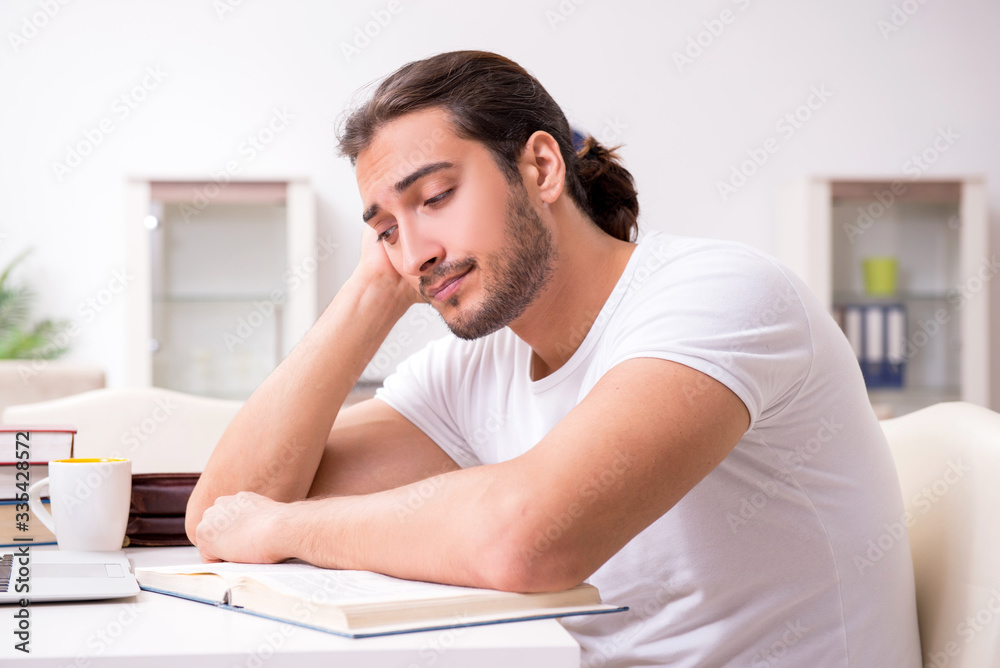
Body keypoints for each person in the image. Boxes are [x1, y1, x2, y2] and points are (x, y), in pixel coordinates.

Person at [185, 50, 922, 667]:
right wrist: (370, 293)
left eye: (435, 196)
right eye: (384, 229)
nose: (415, 251)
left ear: (541, 166)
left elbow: (526, 539)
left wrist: (288, 529)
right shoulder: (473, 368)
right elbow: (225, 510)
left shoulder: (719, 295)